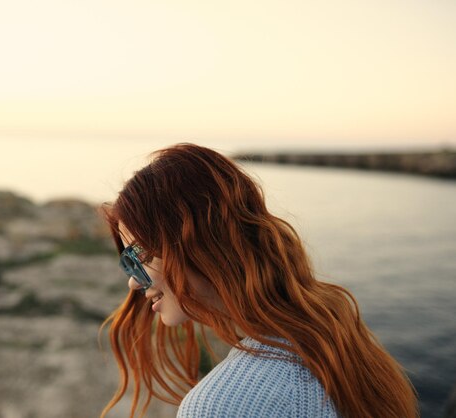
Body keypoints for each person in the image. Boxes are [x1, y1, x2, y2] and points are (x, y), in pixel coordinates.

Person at [99, 143, 418, 418]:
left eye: (139, 255)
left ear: (200, 243)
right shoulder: (331, 331)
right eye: (128, 261)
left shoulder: (221, 406)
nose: (133, 282)